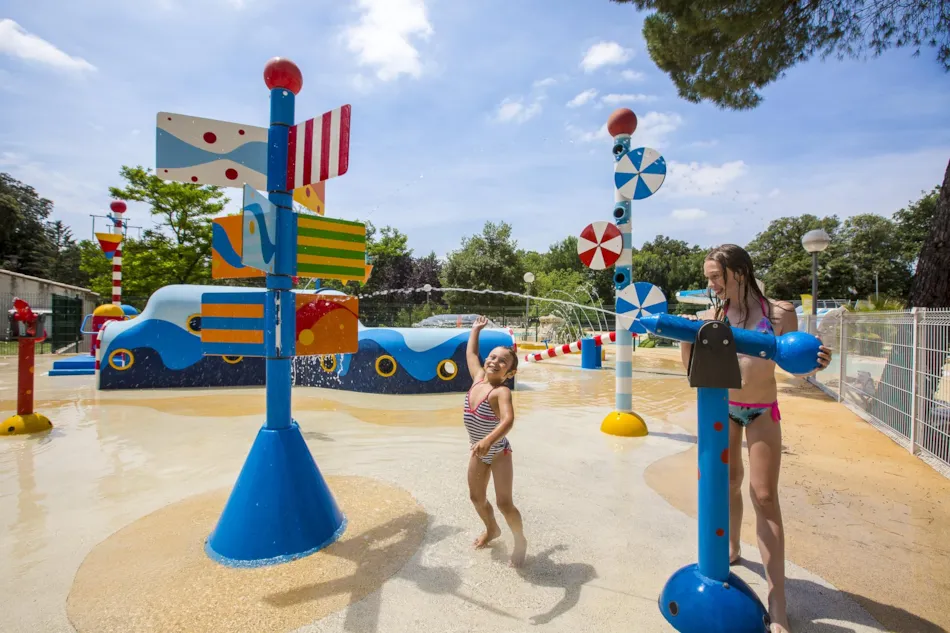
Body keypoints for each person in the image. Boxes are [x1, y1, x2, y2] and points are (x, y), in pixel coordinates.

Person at [680, 244, 832, 633]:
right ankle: (730, 548)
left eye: (716, 276)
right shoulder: (714, 316)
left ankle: (777, 598)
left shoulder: (779, 312)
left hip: (763, 409)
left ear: (739, 273)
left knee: (764, 495)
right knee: (728, 482)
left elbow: (793, 365)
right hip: (724, 410)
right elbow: (693, 373)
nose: (711, 284)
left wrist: (815, 360)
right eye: (708, 278)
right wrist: (687, 338)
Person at [464, 315, 527, 567]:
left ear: (510, 372)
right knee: (476, 498)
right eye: (492, 357)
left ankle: (520, 540)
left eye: (503, 361)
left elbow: (508, 421)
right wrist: (475, 330)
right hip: (479, 452)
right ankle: (492, 530)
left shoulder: (501, 392)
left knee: (504, 502)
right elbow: (471, 352)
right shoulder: (477, 378)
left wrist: (489, 441)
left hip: (499, 452)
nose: (495, 361)